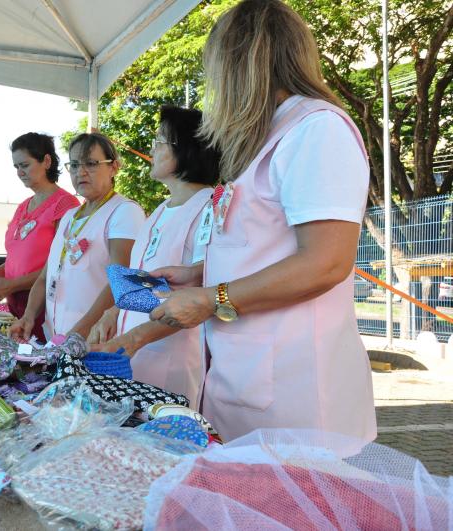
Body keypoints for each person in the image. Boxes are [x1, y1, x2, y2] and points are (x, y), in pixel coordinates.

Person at [148, 0, 376, 444]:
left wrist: (210, 299)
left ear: (240, 62)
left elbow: (325, 262)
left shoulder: (316, 129)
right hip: (247, 380)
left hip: (296, 394)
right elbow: (266, 245)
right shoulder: (268, 136)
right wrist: (199, 274)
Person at [86, 107, 219, 403]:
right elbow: (142, 279)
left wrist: (133, 338)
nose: (152, 149)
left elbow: (206, 286)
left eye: (160, 142)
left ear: (186, 149)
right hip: (131, 350)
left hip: (172, 357)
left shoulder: (208, 207)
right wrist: (113, 313)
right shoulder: (160, 210)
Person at [10, 133, 145, 341]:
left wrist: (77, 333)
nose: (80, 172)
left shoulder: (124, 212)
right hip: (59, 341)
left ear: (114, 167)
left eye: (90, 163)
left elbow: (121, 283)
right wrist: (28, 317)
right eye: (73, 165)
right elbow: (46, 277)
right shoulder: (70, 216)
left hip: (93, 341)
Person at [0, 132, 79, 342]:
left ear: (46, 161)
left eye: (25, 165)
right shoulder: (22, 207)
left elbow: (61, 266)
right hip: (14, 310)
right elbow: (15, 264)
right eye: (16, 167)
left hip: (44, 308)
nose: (20, 172)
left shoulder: (65, 205)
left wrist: (12, 285)